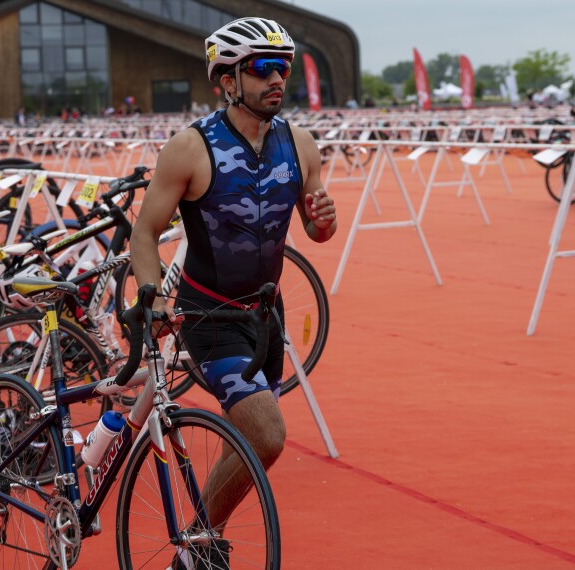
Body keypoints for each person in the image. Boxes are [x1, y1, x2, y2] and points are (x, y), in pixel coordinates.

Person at [129, 16, 336, 568]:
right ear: (227, 79)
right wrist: (152, 296)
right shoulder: (190, 148)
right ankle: (198, 540)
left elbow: (317, 229)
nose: (278, 79)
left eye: (284, 68)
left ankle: (196, 549)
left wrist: (324, 221)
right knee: (265, 435)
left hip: (267, 317)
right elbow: (144, 233)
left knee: (243, 435)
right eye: (263, 68)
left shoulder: (301, 143)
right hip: (209, 316)